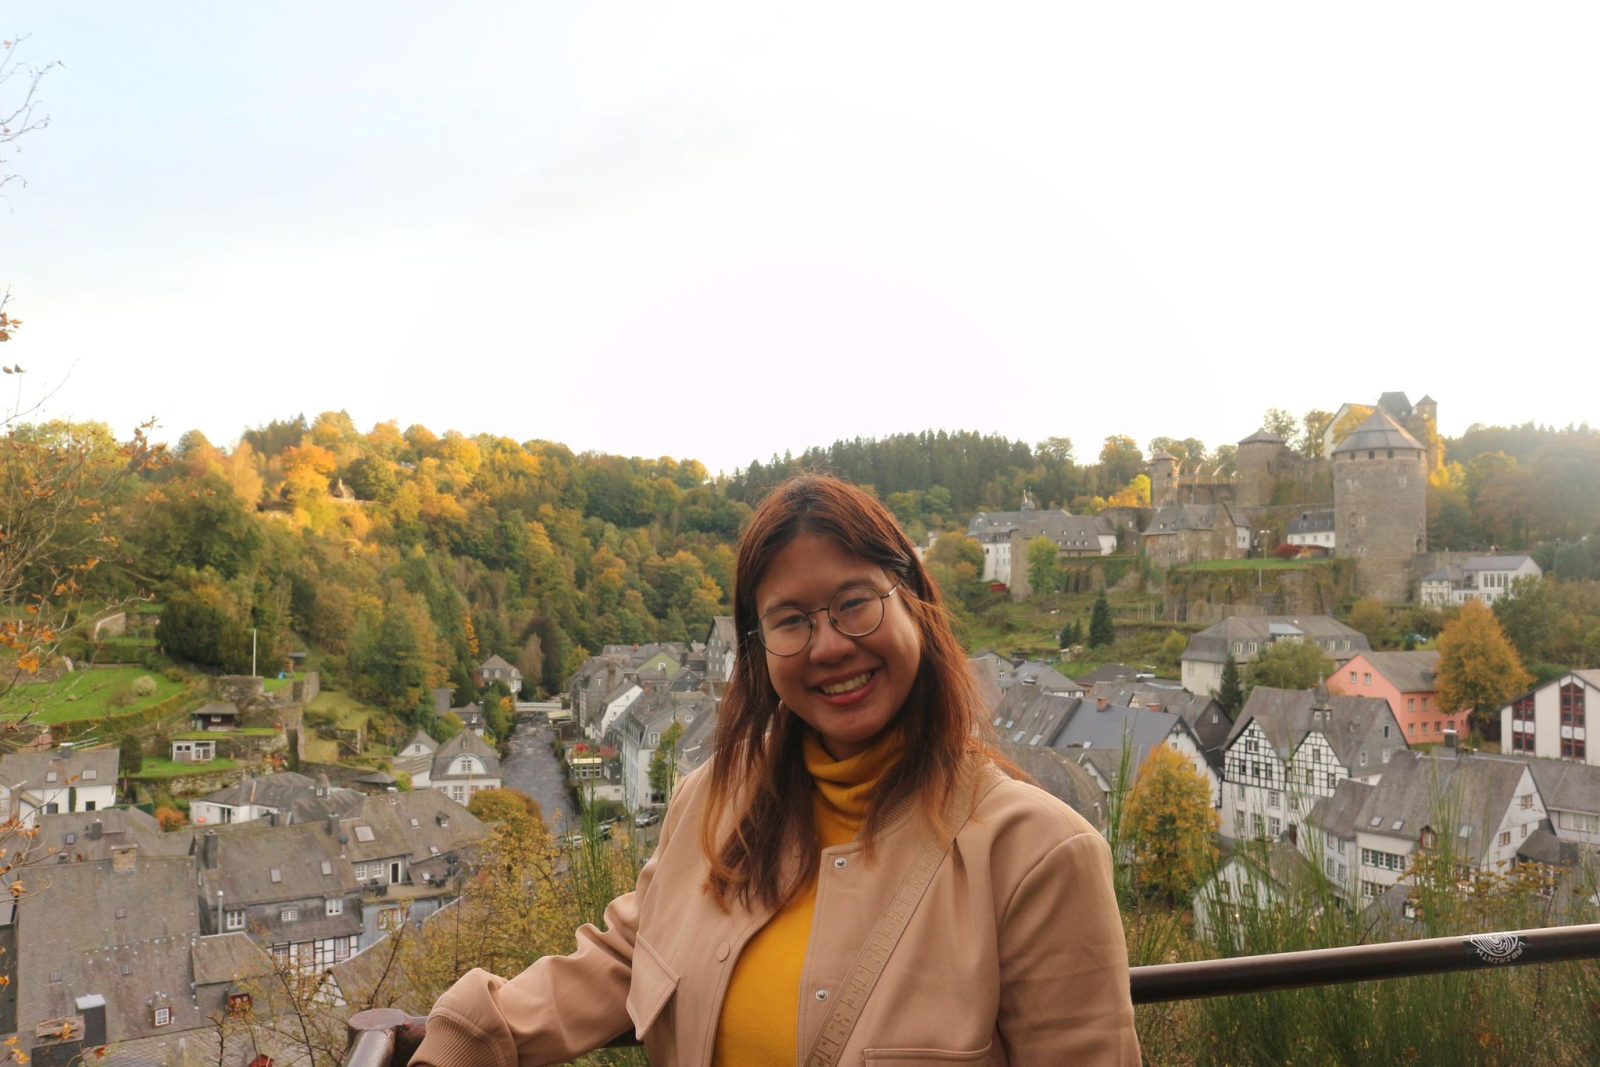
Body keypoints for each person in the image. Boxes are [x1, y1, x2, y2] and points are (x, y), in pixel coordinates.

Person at [412, 475, 1140, 1066]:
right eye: (791, 620)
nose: (828, 646)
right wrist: (471, 1033)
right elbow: (630, 954)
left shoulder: (1036, 856)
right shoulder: (714, 800)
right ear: (759, 647)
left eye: (855, 602)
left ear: (914, 602)